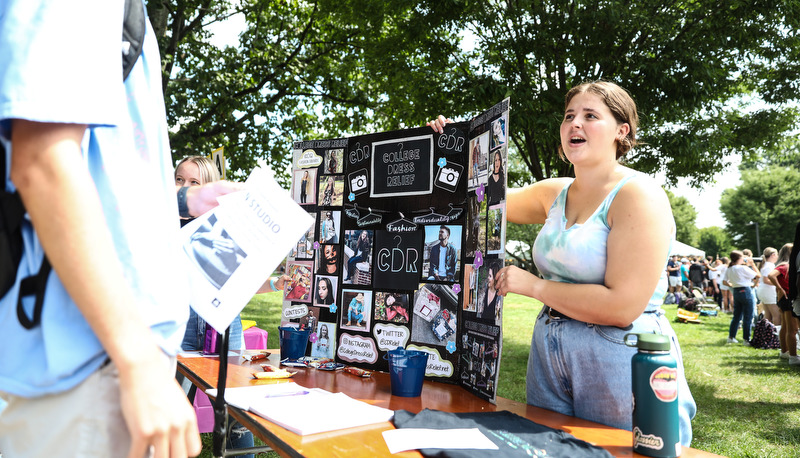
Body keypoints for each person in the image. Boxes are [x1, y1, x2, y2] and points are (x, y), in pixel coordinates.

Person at [0, 2, 245, 455]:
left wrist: (185, 200)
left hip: (100, 365)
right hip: (91, 367)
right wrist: (139, 362)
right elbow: (42, 162)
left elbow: (100, 167)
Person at [428, 80, 696, 445]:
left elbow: (622, 306)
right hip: (549, 348)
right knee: (548, 450)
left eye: (590, 116)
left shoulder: (638, 194)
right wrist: (447, 146)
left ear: (622, 130)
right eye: (569, 116)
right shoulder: (553, 192)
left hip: (619, 353)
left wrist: (534, 286)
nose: (575, 124)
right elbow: (476, 195)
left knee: (620, 453)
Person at [767, 243, 797, 363]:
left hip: (783, 299)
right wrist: (780, 288)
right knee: (792, 329)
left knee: (785, 327)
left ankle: (784, 352)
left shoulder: (782, 265)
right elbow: (771, 275)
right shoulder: (785, 266)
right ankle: (793, 357)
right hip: (788, 299)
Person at [723, 250, 761, 344]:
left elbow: (724, 282)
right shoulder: (742, 268)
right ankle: (746, 339)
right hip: (746, 290)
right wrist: (752, 264)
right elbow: (758, 275)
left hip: (736, 291)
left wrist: (733, 284)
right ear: (740, 258)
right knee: (748, 316)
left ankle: (731, 337)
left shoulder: (730, 268)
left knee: (737, 316)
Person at [757, 247, 780, 326]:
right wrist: (779, 285)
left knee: (767, 315)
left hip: (763, 291)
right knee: (777, 315)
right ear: (773, 255)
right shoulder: (770, 265)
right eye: (777, 254)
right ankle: (776, 336)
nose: (777, 256)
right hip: (768, 291)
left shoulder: (765, 265)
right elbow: (766, 280)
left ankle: (764, 334)